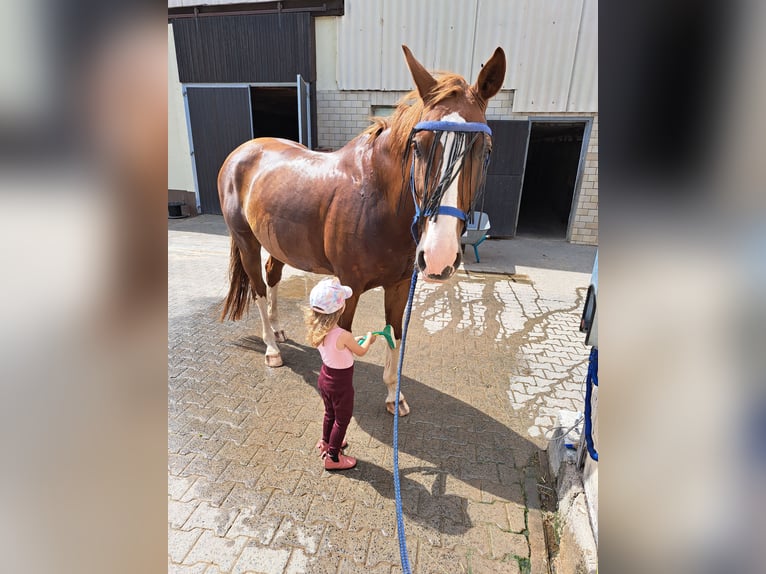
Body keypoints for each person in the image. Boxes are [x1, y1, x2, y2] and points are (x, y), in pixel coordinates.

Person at [305, 277, 377, 470]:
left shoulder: (318, 330)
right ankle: (333, 457)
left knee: (329, 413)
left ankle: (326, 441)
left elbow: (343, 348)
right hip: (341, 385)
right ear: (341, 308)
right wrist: (369, 339)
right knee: (342, 419)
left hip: (325, 379)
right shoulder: (343, 335)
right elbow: (360, 351)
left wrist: (357, 340)